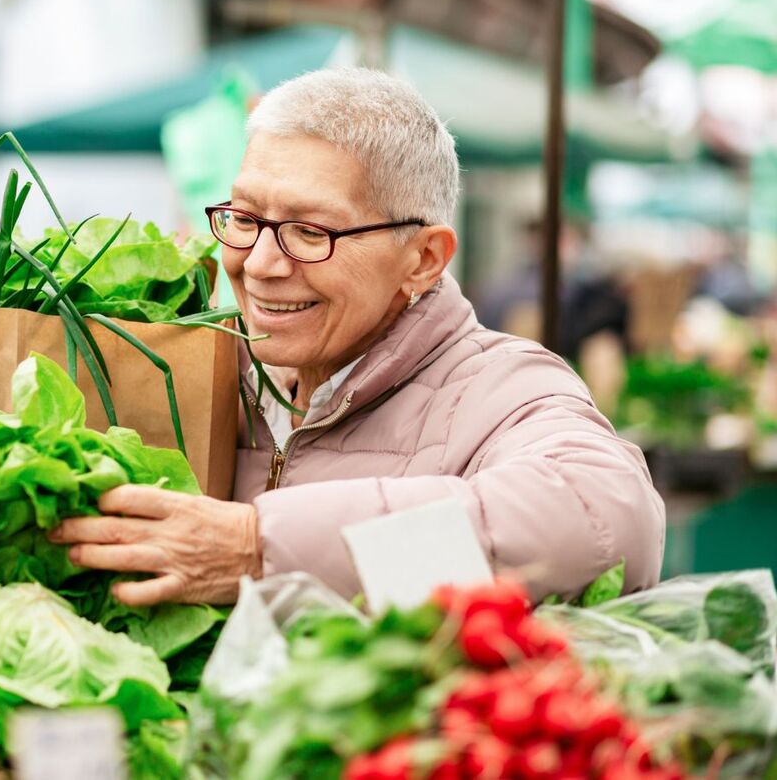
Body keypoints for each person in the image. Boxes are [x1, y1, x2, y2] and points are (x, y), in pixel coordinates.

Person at [50, 68, 664, 606]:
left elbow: (609, 521)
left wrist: (260, 551)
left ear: (423, 258)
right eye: (243, 218)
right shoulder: (187, 365)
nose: (260, 263)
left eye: (311, 231)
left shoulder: (498, 387)